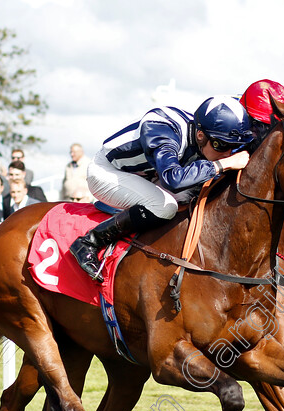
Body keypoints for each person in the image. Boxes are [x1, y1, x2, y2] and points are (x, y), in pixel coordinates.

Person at [70, 96, 253, 280]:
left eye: (233, 147)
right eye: (221, 145)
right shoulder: (162, 128)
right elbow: (172, 179)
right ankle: (89, 242)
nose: (228, 153)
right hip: (107, 172)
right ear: (200, 135)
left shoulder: (205, 133)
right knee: (164, 206)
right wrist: (222, 164)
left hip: (146, 176)